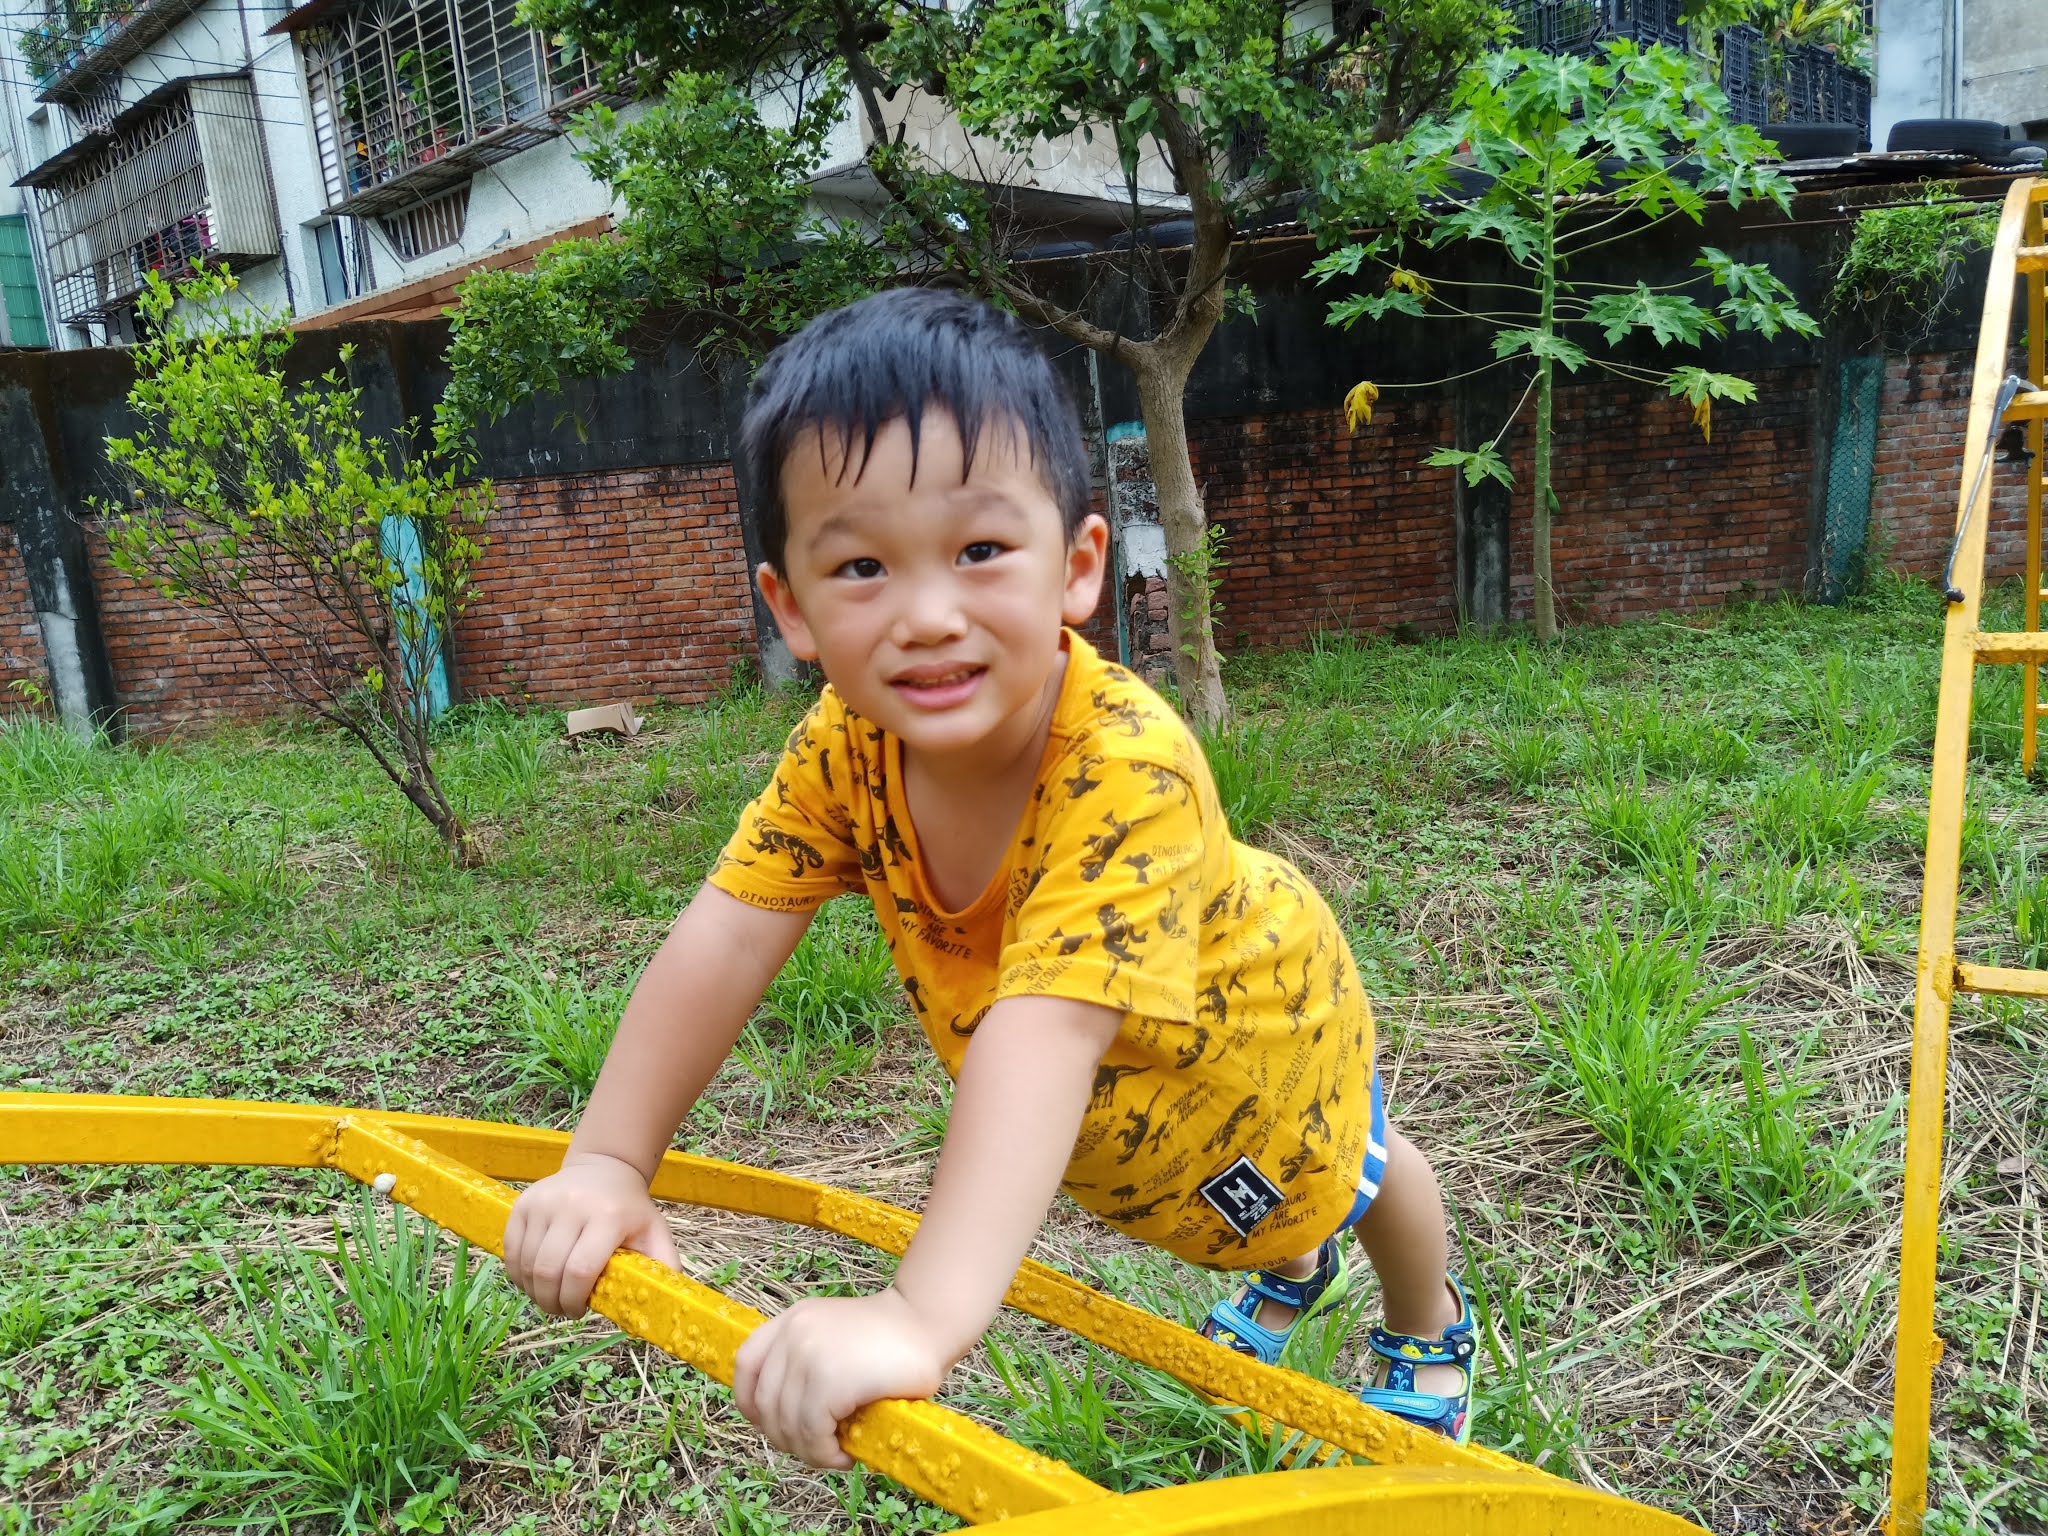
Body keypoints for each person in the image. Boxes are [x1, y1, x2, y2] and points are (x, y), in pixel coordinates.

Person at [501, 287, 1476, 1467]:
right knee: (1276, 1219)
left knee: (1356, 1175)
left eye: (978, 551)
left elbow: (1043, 1035)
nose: (926, 616)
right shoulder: (846, 745)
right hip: (1130, 1119)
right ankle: (1294, 1262)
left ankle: (1425, 1323)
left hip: (1255, 1048)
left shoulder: (1125, 768)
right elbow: (729, 932)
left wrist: (918, 1315)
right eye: (860, 565)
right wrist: (608, 1162)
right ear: (789, 608)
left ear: (1075, 567)